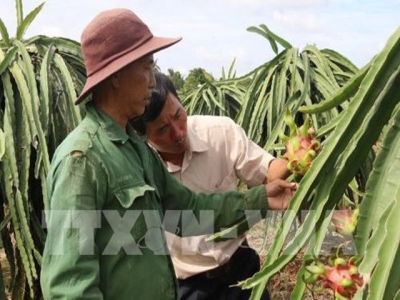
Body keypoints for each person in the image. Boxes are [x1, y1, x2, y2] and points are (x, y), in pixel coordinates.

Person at [40, 8, 297, 300]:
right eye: (147, 67)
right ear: (116, 76)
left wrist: (262, 198)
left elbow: (188, 212)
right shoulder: (83, 159)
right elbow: (69, 286)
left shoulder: (135, 150)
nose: (153, 80)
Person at [131, 72, 291, 300]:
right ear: (142, 135)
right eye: (162, 130)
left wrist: (295, 158)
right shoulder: (139, 169)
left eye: (178, 115)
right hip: (188, 287)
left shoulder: (219, 133)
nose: (178, 132)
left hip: (240, 270)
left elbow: (267, 171)